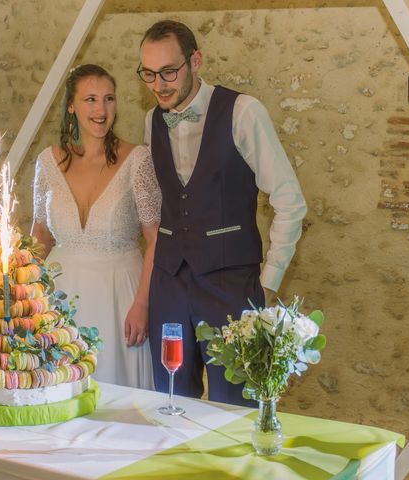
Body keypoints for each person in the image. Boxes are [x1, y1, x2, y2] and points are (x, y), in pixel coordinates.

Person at [138, 20, 307, 405]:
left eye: (168, 72)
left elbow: (290, 200)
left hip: (231, 284)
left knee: (237, 404)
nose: (158, 85)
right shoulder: (151, 121)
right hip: (169, 285)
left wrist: (269, 282)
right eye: (148, 74)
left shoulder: (243, 112)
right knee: (169, 400)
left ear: (196, 61)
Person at [31, 64, 160, 390]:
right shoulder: (48, 162)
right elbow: (40, 236)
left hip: (119, 295)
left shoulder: (138, 160)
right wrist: (25, 298)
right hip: (59, 297)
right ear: (71, 106)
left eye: (108, 99)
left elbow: (155, 238)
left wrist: (142, 303)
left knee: (115, 391)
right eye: (90, 99)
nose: (101, 110)